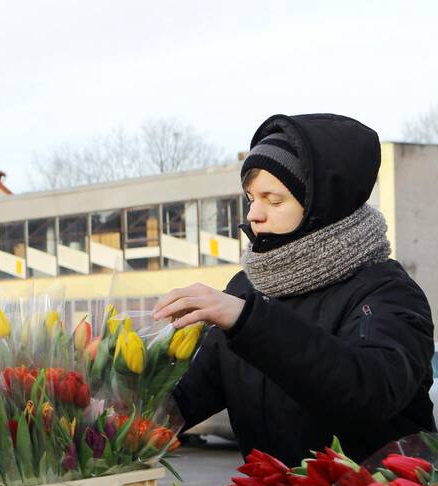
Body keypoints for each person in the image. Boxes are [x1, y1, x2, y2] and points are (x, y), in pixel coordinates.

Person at [153, 113, 435, 466]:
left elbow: (370, 391)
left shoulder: (386, 291)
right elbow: (183, 402)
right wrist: (103, 403)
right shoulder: (246, 289)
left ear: (323, 205)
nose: (254, 214)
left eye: (273, 200)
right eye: (250, 198)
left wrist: (246, 321)